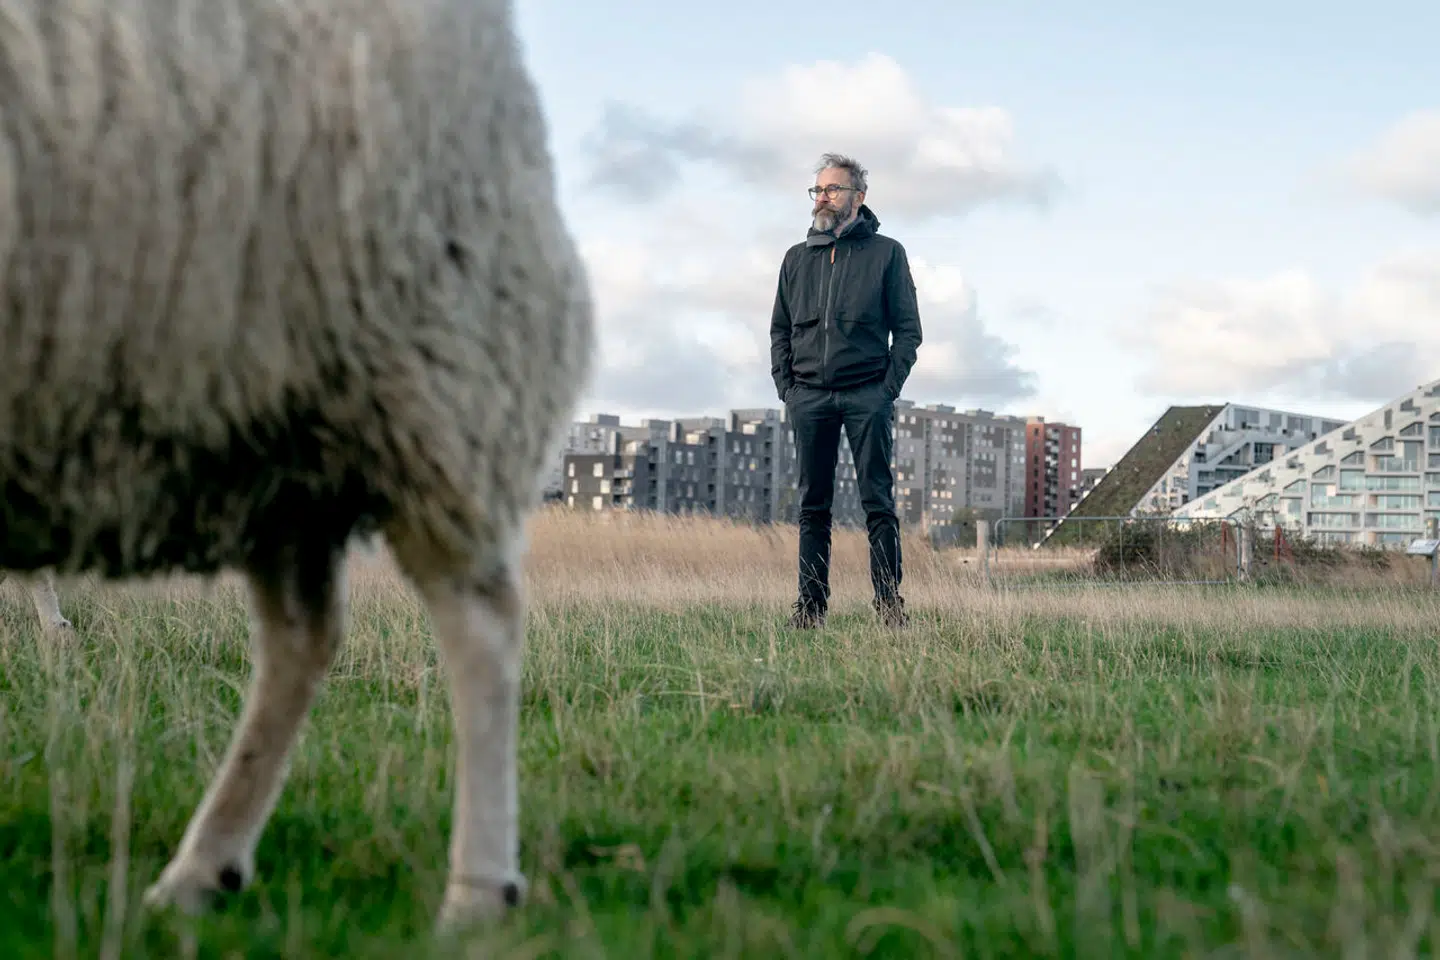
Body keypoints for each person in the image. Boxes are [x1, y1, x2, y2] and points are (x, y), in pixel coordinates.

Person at [769, 153, 923, 629]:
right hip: (809, 397)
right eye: (818, 190)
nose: (823, 198)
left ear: (859, 196)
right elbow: (779, 330)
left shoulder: (887, 254)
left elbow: (908, 332)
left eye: (832, 189)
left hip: (866, 396)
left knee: (878, 504)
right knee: (813, 507)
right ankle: (810, 610)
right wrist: (788, 388)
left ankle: (889, 608)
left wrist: (886, 390)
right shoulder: (796, 258)